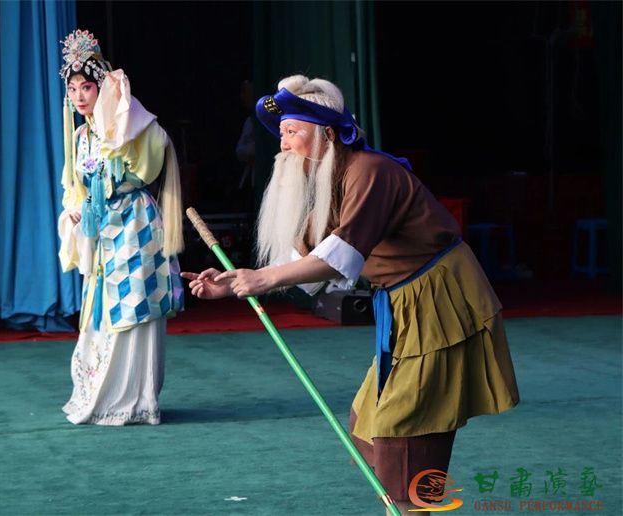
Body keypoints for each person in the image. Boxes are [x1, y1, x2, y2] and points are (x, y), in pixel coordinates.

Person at [181, 75, 519, 514]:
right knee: (369, 421)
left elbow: (339, 256)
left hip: (440, 301)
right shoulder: (332, 178)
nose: (283, 145)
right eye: (281, 133)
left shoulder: (369, 171)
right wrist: (234, 282)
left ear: (326, 134)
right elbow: (305, 252)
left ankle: (414, 507)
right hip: (402, 304)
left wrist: (264, 281)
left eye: (292, 131)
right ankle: (409, 503)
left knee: (406, 428)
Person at [56, 30, 184, 426]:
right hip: (102, 230)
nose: (79, 96)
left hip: (134, 225)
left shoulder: (132, 126)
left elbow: (156, 152)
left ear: (103, 87)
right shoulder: (81, 136)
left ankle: (136, 399)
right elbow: (74, 187)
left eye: (87, 87)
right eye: (73, 89)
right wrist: (75, 210)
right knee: (102, 309)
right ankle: (100, 393)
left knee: (135, 307)